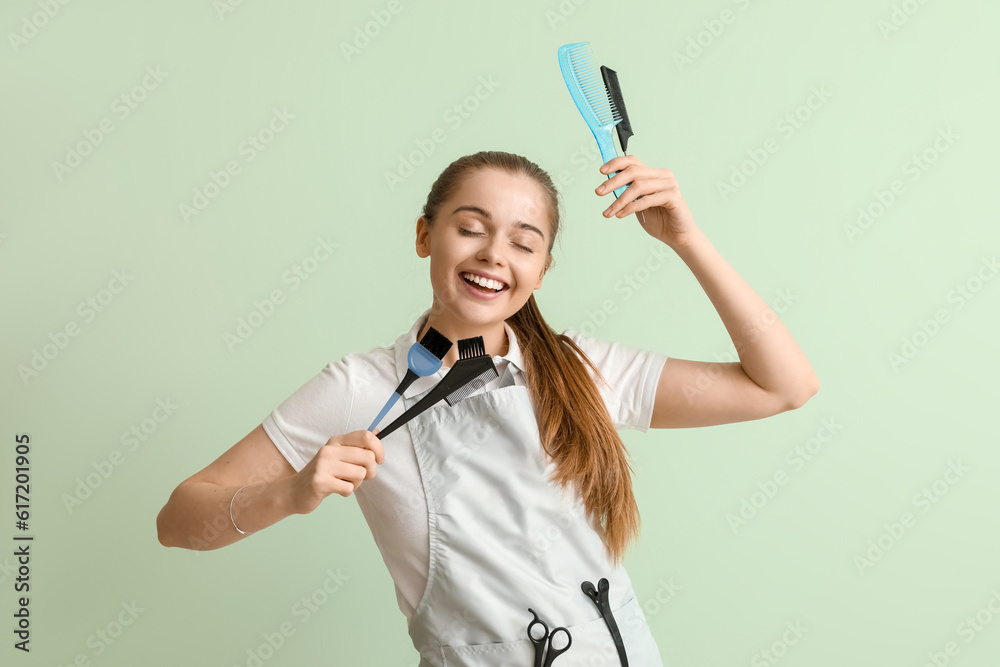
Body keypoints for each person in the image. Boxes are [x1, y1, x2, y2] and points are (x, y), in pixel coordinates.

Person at [157, 151, 819, 666]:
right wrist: (290, 491)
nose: (493, 255)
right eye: (470, 228)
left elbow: (783, 385)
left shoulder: (584, 371)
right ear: (425, 235)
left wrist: (686, 239)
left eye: (524, 242)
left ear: (543, 268)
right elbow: (179, 518)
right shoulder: (359, 388)